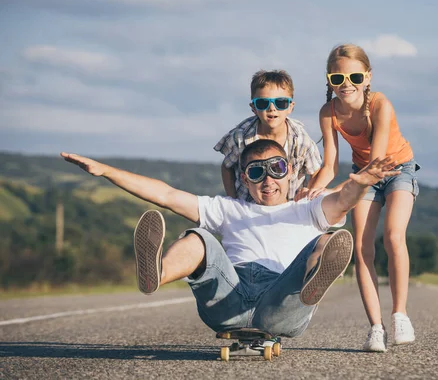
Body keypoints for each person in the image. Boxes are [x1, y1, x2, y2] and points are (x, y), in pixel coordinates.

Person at [60, 139, 400, 339]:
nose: (267, 180)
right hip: (229, 295)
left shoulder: (309, 209)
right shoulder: (227, 208)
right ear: (244, 179)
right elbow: (164, 194)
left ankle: (308, 287)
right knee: (199, 238)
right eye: (256, 172)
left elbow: (345, 199)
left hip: (279, 301)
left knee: (328, 240)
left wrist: (365, 180)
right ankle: (155, 275)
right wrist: (105, 171)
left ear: (291, 173)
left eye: (276, 170)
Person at [303, 44, 420, 352]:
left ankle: (399, 315)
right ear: (328, 80)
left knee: (394, 237)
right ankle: (376, 328)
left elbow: (378, 163)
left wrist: (338, 190)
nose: (346, 84)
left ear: (367, 77)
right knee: (361, 247)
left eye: (354, 76)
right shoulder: (328, 113)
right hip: (361, 173)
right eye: (337, 77)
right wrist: (313, 190)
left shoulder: (381, 105)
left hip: (396, 169)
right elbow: (328, 166)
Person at [215, 70, 322, 202]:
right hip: (249, 206)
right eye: (263, 103)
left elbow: (315, 171)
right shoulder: (241, 137)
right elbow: (227, 166)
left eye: (280, 102)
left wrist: (306, 199)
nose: (272, 108)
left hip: (289, 206)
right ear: (253, 107)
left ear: (290, 107)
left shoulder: (300, 139)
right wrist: (233, 201)